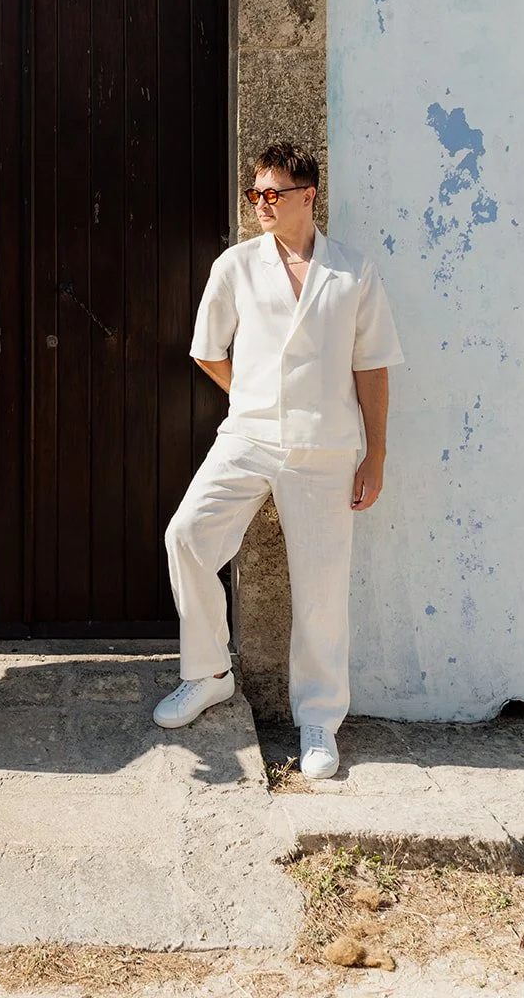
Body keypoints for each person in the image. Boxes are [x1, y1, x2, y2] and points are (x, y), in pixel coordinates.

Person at [153, 142, 403, 779]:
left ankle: (319, 717)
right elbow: (207, 349)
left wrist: (375, 455)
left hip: (325, 445)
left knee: (321, 584)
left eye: (275, 194)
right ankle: (208, 671)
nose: (262, 205)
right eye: (256, 194)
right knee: (186, 535)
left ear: (308, 196)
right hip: (249, 436)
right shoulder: (236, 266)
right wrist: (251, 395)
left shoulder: (352, 273)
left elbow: (370, 366)